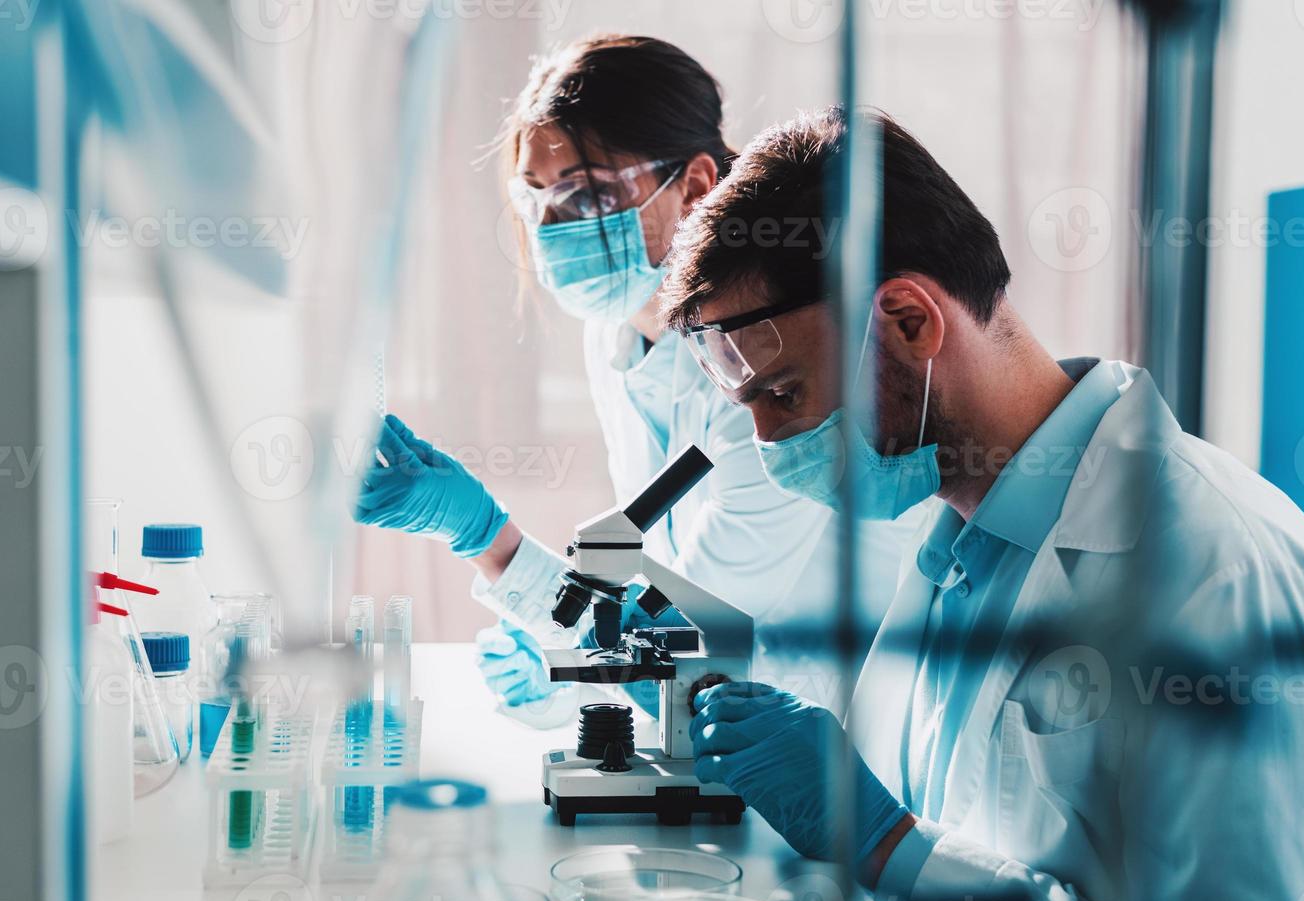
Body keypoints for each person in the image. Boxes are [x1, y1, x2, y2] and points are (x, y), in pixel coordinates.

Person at [659, 105, 1304, 901]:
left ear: (908, 321)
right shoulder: (959, 541)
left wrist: (884, 845)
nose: (765, 444)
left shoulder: (1214, 573)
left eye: (783, 393)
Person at [356, 37, 911, 722]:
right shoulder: (619, 332)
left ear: (696, 186)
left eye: (587, 198)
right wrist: (566, 665)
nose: (554, 230)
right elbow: (655, 581)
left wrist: (489, 542)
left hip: (832, 731)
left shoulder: (773, 370)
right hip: (712, 716)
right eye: (538, 203)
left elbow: (696, 633)